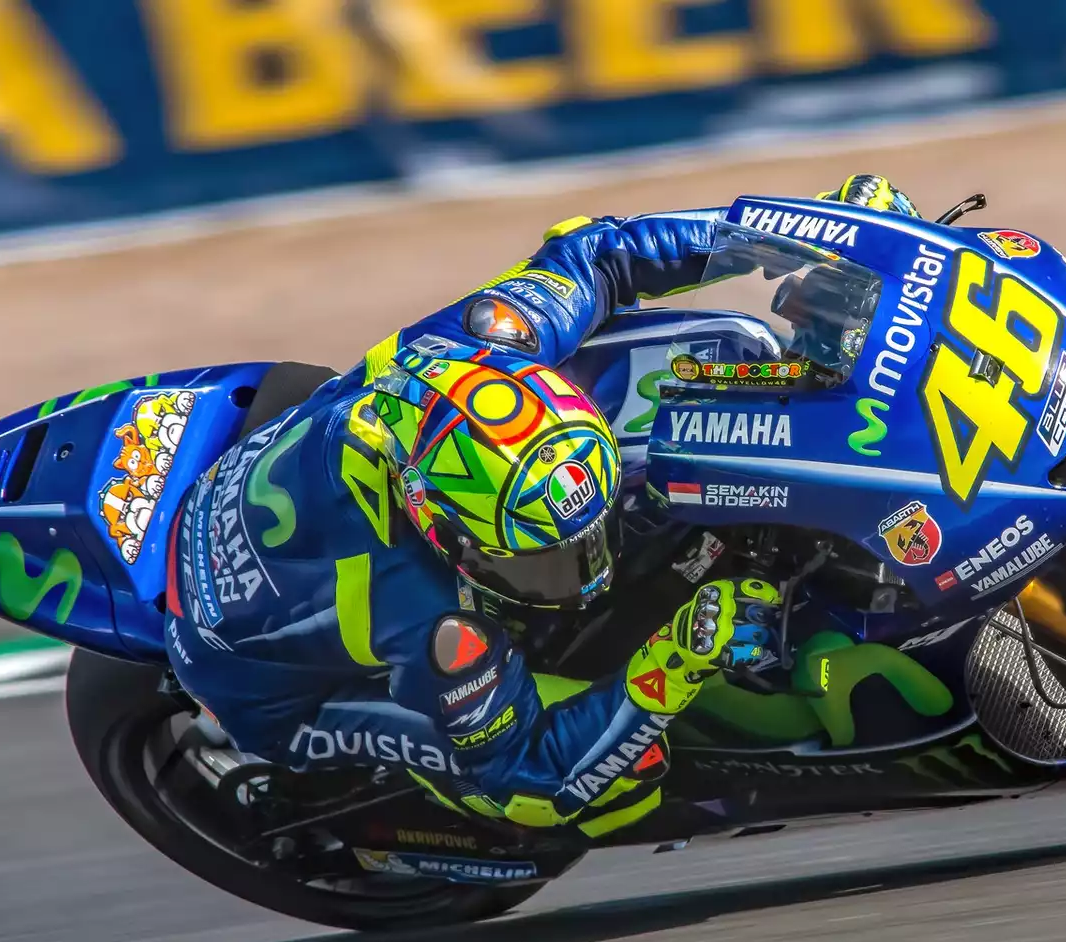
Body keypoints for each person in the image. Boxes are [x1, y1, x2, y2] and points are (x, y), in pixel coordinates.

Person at [164, 176, 921, 835]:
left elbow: (600, 251)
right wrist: (674, 657)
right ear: (441, 530)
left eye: (583, 545)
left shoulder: (481, 343)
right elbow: (532, 775)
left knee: (727, 347)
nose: (587, 572)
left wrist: (802, 238)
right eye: (548, 562)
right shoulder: (428, 622)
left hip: (289, 485)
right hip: (274, 689)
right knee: (609, 791)